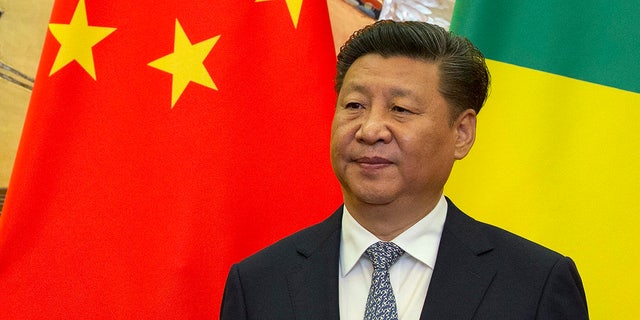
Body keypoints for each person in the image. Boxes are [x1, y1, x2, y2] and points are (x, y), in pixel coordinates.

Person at [220, 20, 588, 319]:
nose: (370, 130)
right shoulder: (259, 283)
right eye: (354, 105)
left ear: (461, 133)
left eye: (400, 109)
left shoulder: (534, 284)